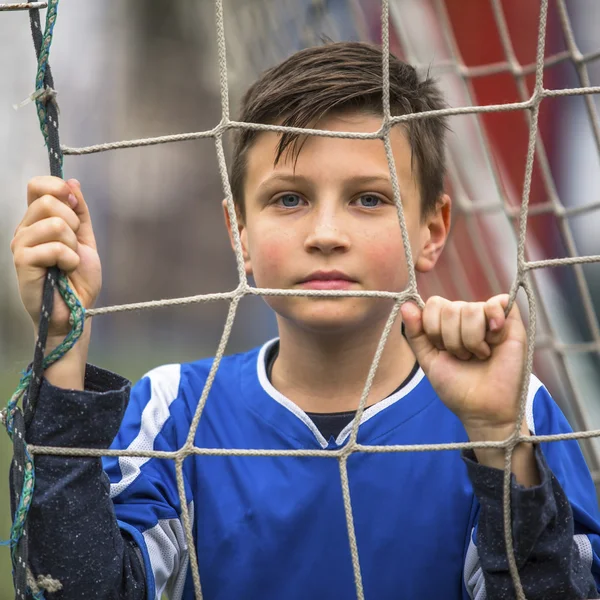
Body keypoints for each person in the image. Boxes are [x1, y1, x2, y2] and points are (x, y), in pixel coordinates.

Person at [9, 42, 600, 600]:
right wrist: (61, 344)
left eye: (369, 198)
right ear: (238, 230)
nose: (324, 236)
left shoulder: (511, 412)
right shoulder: (173, 413)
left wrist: (499, 446)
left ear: (433, 230)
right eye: (289, 199)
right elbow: (74, 585)